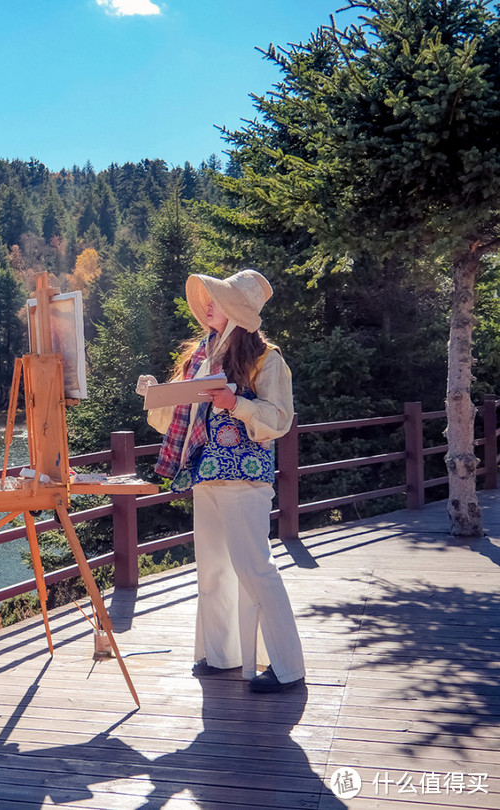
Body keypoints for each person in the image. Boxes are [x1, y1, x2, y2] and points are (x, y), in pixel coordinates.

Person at [137, 269, 305, 693]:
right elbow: (172, 418)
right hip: (205, 475)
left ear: (236, 312)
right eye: (208, 297)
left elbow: (279, 420)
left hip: (246, 478)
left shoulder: (267, 359)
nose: (207, 305)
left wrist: (238, 404)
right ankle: (222, 655)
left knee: (255, 568)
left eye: (217, 299)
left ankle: (287, 666)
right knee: (212, 570)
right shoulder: (199, 357)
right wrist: (154, 395)